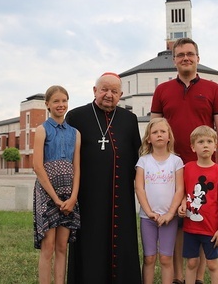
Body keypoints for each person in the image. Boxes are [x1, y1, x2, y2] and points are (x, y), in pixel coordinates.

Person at [150, 37, 218, 284]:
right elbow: (154, 128)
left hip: (205, 170)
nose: (186, 57)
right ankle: (176, 276)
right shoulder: (162, 90)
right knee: (175, 221)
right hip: (171, 168)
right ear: (174, 60)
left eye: (190, 54)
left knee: (203, 221)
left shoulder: (213, 89)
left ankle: (198, 278)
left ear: (198, 58)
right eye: (181, 54)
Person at [66, 72, 142, 284]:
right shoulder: (76, 116)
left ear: (121, 95)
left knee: (123, 240)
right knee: (90, 242)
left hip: (121, 197)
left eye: (114, 91)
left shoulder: (130, 119)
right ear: (94, 91)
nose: (109, 95)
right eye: (104, 90)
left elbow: (139, 158)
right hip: (88, 196)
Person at [32, 85, 81, 284]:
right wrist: (56, 198)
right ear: (47, 105)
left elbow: (77, 167)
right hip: (47, 194)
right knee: (49, 246)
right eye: (56, 101)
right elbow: (37, 166)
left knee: (62, 246)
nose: (61, 105)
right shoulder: (42, 130)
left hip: (69, 195)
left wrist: (73, 197)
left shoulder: (75, 133)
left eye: (64, 101)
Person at [178, 126, 218, 284]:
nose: (205, 145)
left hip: (211, 229)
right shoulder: (187, 168)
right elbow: (184, 192)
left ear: (215, 146)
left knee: (213, 264)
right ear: (193, 147)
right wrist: (182, 205)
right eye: (201, 142)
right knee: (191, 263)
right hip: (190, 228)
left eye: (209, 141)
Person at [135, 118, 185, 284]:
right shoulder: (143, 161)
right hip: (147, 218)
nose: (159, 135)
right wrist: (149, 212)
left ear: (169, 136)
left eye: (163, 132)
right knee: (149, 258)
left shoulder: (176, 161)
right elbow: (139, 188)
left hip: (168, 218)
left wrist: (170, 213)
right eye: (155, 132)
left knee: (165, 258)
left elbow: (180, 189)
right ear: (148, 138)